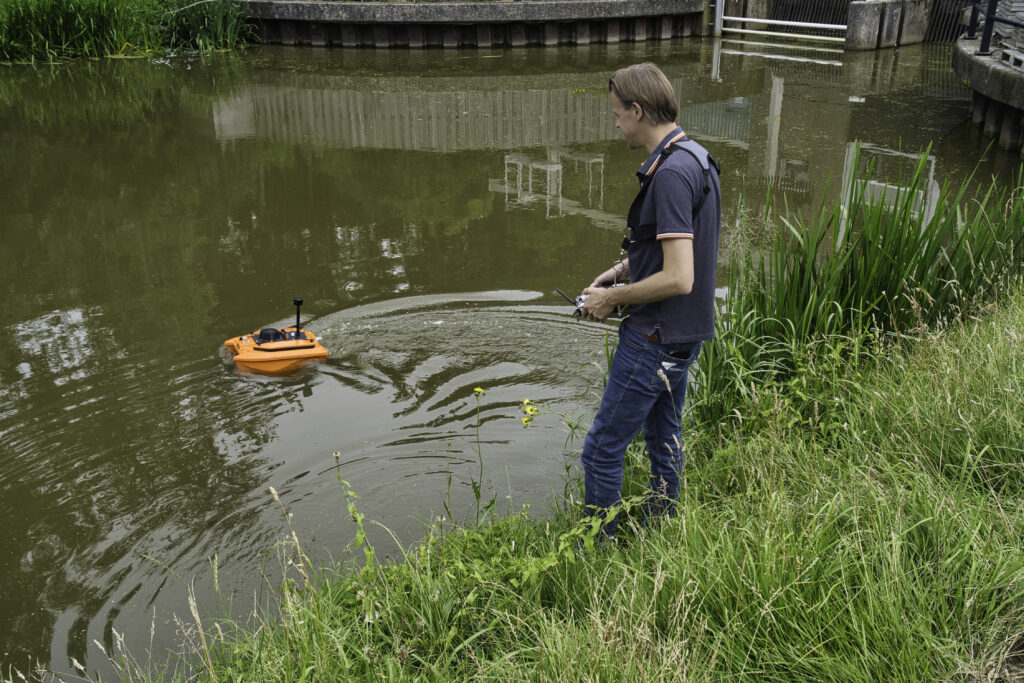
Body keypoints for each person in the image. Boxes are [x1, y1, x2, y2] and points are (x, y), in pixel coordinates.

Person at [579, 62, 721, 537]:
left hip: (653, 337)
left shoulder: (671, 174)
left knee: (601, 451)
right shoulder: (696, 157)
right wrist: (622, 269)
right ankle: (661, 532)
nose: (616, 124)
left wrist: (611, 298)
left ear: (637, 111)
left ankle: (595, 553)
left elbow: (679, 277)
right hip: (684, 335)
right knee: (664, 438)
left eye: (618, 114)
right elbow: (678, 248)